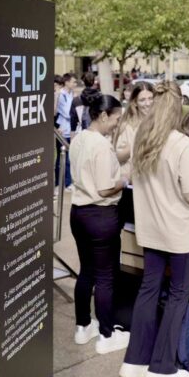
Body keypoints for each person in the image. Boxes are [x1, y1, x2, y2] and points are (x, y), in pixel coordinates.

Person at [119, 82, 189, 377]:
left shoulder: (142, 140)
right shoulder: (181, 144)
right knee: (177, 295)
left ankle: (135, 361)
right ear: (177, 109)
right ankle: (162, 366)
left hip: (149, 231)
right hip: (177, 232)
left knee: (147, 291)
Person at [69, 94, 131, 355]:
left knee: (86, 272)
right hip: (101, 216)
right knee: (105, 276)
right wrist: (125, 178)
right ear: (104, 115)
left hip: (79, 213)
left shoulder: (79, 138)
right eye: (116, 118)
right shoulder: (102, 146)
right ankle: (107, 334)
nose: (117, 124)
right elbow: (106, 188)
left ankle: (83, 326)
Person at [114, 82, 154, 178]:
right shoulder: (127, 126)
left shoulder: (160, 124)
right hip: (132, 184)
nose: (147, 103)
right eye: (142, 100)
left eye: (150, 98)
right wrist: (137, 143)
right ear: (135, 102)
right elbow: (117, 158)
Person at [55, 73, 77, 190]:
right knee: (61, 157)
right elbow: (68, 113)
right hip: (63, 130)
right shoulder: (61, 95)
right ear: (67, 82)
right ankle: (61, 183)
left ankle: (66, 182)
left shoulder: (71, 94)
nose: (75, 84)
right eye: (73, 82)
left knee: (69, 157)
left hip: (70, 130)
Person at [70, 72, 99, 136]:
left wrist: (72, 136)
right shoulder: (101, 98)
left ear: (83, 83)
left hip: (82, 133)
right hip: (98, 133)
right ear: (94, 82)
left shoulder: (76, 100)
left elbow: (73, 121)